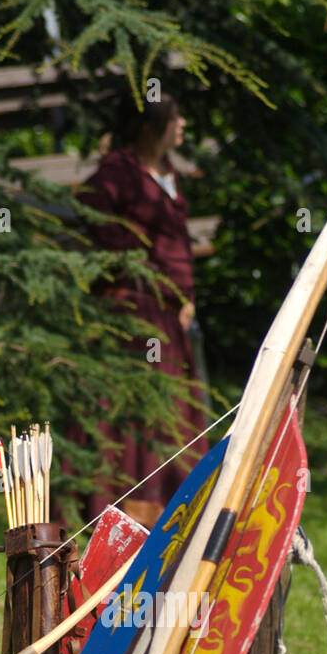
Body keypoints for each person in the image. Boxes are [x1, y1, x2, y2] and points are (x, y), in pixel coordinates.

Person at [76, 92, 206, 529]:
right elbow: (101, 234)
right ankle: (116, 518)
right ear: (151, 126)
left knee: (168, 416)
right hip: (133, 316)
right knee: (130, 416)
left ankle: (171, 518)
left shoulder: (166, 174)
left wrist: (184, 298)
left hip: (168, 317)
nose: (182, 124)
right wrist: (147, 284)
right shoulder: (117, 176)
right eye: (175, 117)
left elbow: (178, 246)